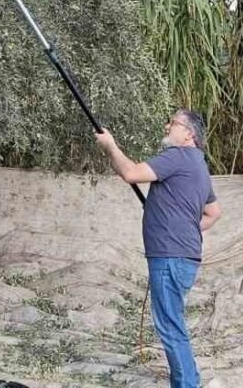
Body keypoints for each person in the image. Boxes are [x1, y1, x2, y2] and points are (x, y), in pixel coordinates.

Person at [95, 109, 221, 388]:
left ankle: (188, 384)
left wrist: (110, 146)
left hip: (170, 257)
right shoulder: (198, 165)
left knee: (169, 324)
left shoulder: (177, 156)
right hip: (183, 256)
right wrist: (183, 224)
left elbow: (130, 173)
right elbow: (213, 212)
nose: (167, 126)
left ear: (189, 134)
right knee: (172, 320)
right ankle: (191, 379)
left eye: (173, 123)